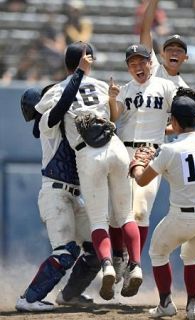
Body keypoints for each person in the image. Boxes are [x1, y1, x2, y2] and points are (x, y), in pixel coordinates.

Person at [35, 41, 142, 300]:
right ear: (90, 61)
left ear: (66, 64)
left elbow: (42, 116)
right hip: (115, 146)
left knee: (98, 221)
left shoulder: (58, 89)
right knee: (126, 215)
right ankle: (135, 266)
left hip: (87, 152)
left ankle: (107, 265)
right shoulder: (103, 86)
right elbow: (118, 115)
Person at [130, 87, 195, 319]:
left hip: (183, 216)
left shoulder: (169, 150)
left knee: (157, 252)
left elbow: (142, 181)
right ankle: (193, 306)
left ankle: (166, 304)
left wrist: (136, 164)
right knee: (192, 255)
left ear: (173, 120)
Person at [16, 51, 100, 312]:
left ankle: (70, 295)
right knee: (64, 252)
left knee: (97, 249)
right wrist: (79, 74)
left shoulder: (63, 123)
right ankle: (28, 299)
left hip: (73, 195)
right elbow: (61, 105)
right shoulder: (46, 124)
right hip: (55, 194)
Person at [108, 43, 177, 281]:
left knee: (140, 211)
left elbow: (184, 117)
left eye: (142, 61)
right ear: (128, 67)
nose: (138, 66)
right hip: (122, 150)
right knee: (117, 212)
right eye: (132, 63)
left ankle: (133, 264)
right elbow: (114, 117)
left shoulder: (166, 86)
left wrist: (160, 136)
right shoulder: (125, 90)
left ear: (151, 63)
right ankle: (118, 257)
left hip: (149, 154)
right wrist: (112, 99)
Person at [140, 0, 189, 88]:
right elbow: (145, 30)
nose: (174, 53)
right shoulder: (152, 69)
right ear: (162, 54)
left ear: (185, 58)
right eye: (169, 49)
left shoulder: (184, 90)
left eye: (179, 50)